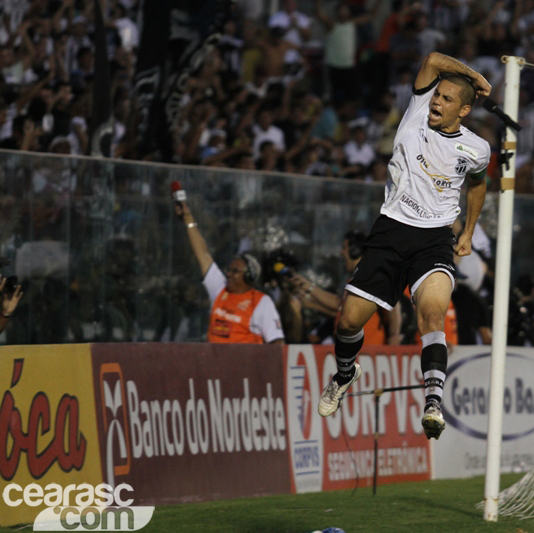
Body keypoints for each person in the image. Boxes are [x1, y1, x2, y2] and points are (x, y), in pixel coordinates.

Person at [316, 51, 492, 440]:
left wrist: (467, 232)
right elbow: (430, 59)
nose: (436, 101)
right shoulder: (415, 116)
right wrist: (472, 73)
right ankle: (345, 374)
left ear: (462, 111)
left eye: (446, 99)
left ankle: (433, 402)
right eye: (436, 95)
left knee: (432, 316)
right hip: (391, 232)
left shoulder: (477, 148)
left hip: (434, 240)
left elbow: (478, 183)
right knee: (347, 323)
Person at [175, 200, 284, 345]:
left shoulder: (261, 303)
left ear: (248, 276)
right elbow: (202, 254)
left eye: (235, 271)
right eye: (229, 270)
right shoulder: (220, 289)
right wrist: (188, 220)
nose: (229, 274)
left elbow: (277, 342)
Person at [291, 229, 402, 345]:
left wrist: (394, 336)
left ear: (355, 251)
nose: (341, 252)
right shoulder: (356, 278)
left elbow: (393, 305)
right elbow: (338, 304)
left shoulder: (371, 276)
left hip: (368, 350)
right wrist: (309, 289)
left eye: (344, 247)